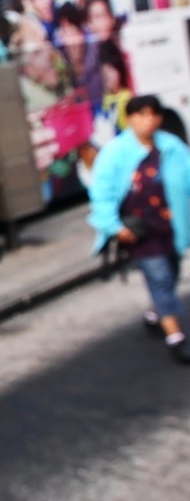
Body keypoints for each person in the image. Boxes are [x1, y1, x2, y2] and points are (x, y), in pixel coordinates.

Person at [89, 94, 190, 364]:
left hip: (170, 227)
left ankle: (156, 314)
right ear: (130, 119)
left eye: (153, 114)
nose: (148, 120)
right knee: (160, 277)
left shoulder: (172, 148)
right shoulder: (115, 153)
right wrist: (112, 226)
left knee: (171, 273)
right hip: (140, 232)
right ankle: (175, 338)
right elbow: (102, 193)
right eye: (141, 114)